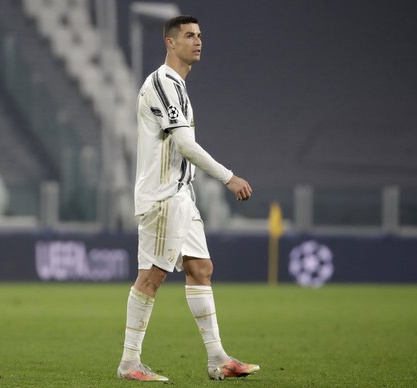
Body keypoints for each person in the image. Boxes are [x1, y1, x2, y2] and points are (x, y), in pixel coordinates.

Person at [117, 15, 260, 382]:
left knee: (201, 270)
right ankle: (129, 363)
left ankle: (218, 359)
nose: (198, 42)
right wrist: (228, 177)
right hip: (163, 197)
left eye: (199, 36)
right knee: (151, 277)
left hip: (181, 194)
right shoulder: (163, 83)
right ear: (170, 42)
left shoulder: (178, 85)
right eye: (189, 36)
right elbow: (182, 143)